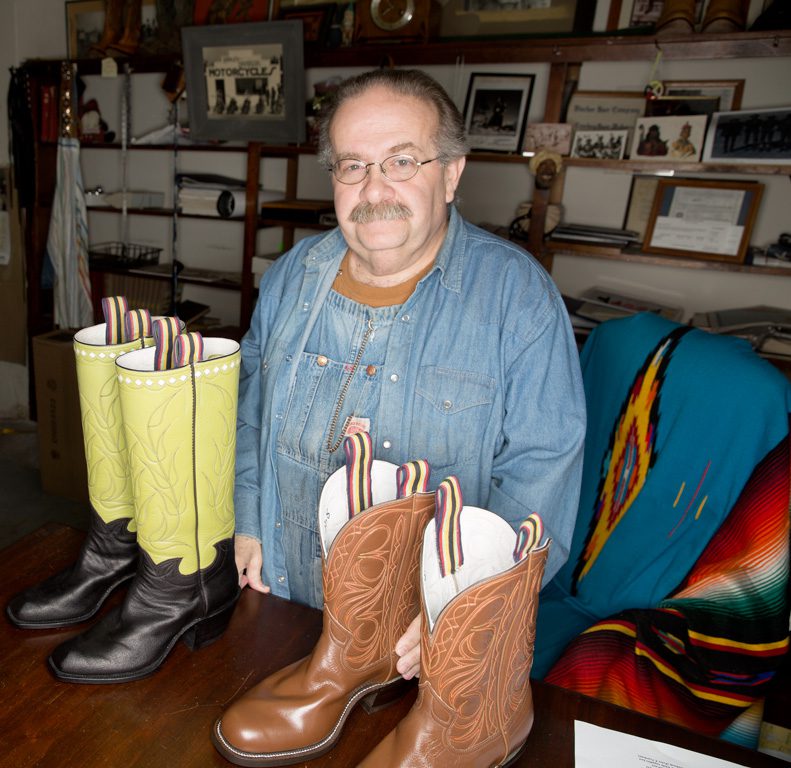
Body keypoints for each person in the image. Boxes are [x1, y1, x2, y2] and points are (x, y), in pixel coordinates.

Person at [233, 68, 586, 680]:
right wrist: (247, 519)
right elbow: (249, 411)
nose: (374, 190)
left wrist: (464, 610)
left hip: (426, 651)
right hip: (283, 606)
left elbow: (542, 474)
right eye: (352, 165)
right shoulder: (294, 274)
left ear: (450, 174)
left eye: (401, 162)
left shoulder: (517, 297)